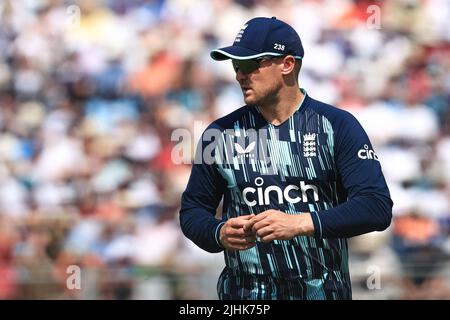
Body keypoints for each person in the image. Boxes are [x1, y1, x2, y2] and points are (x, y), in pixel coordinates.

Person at [179, 16, 393, 300]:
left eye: (249, 65)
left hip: (323, 293)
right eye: (235, 66)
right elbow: (192, 211)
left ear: (287, 64)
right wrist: (218, 232)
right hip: (244, 296)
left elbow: (376, 207)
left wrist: (300, 223)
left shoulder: (337, 125)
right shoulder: (219, 133)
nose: (239, 75)